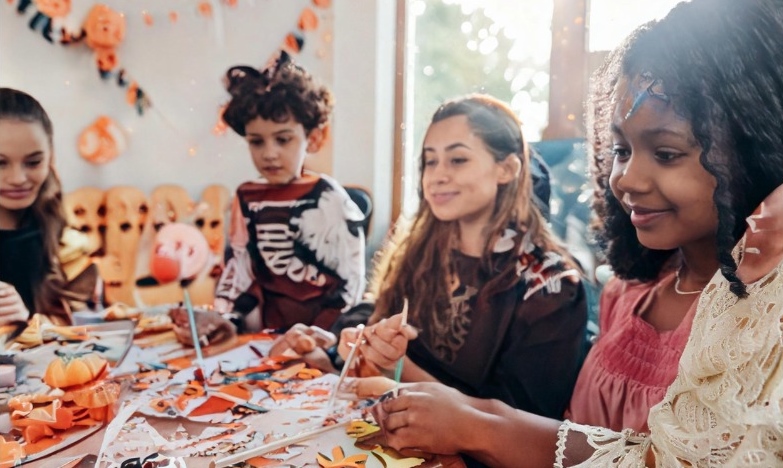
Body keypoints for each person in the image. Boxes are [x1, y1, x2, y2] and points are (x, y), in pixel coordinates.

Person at [371, 0, 783, 466]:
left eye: (666, 153)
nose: (625, 178)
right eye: (622, 149)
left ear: (756, 146)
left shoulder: (761, 323)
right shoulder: (627, 293)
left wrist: (452, 410)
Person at [278, 94, 587, 421]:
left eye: (457, 160)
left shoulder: (550, 288)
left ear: (507, 169)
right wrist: (342, 348)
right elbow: (380, 311)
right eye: (430, 161)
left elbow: (518, 430)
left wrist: (398, 368)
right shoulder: (423, 248)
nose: (437, 175)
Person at [213, 52, 366, 333]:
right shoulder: (246, 196)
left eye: (283, 140)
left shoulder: (329, 198)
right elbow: (240, 268)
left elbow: (351, 280)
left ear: (314, 138)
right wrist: (225, 316)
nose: (269, 154)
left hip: (323, 336)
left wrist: (322, 338)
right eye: (256, 142)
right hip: (265, 336)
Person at [0, 87, 71, 326]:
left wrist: (31, 323)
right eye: (0, 163)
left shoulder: (61, 232)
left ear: (51, 157)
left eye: (33, 162)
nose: (18, 178)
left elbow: (82, 325)